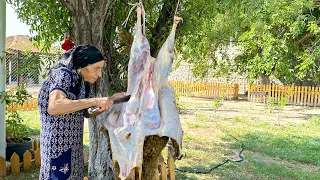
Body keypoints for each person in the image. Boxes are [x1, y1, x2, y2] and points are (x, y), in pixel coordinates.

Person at [38, 44, 125, 180]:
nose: (100, 74)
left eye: (101, 69)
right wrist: (94, 101)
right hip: (58, 148)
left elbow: (86, 112)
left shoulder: (82, 81)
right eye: (96, 68)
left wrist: (110, 101)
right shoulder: (63, 74)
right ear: (82, 64)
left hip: (73, 149)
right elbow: (54, 106)